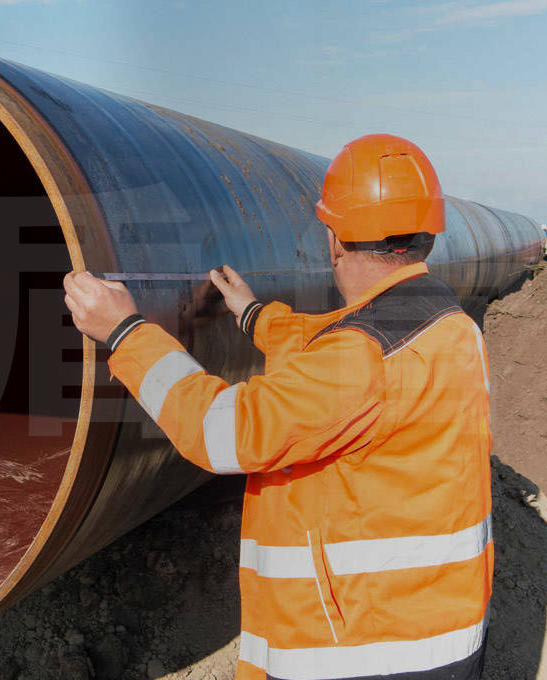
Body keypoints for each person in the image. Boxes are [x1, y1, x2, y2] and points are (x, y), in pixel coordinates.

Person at [62, 133, 493, 680]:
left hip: (360, 653)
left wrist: (125, 332)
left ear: (333, 240)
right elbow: (338, 358)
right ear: (427, 234)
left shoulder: (362, 359)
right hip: (433, 629)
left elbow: (223, 432)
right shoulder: (447, 325)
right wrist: (253, 315)